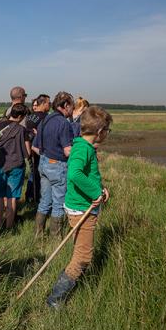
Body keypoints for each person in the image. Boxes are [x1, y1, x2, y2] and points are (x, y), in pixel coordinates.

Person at [46, 106, 112, 309]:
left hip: (82, 206)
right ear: (100, 131)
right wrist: (95, 193)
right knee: (83, 257)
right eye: (108, 130)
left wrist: (100, 188)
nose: (107, 134)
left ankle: (58, 295)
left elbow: (87, 175)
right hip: (81, 209)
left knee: (80, 253)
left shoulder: (84, 146)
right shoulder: (82, 149)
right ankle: (55, 299)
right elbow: (74, 174)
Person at [32, 91, 74, 238]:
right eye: (71, 107)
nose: (72, 110)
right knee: (58, 203)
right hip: (57, 165)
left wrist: (46, 157)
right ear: (66, 105)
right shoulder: (64, 123)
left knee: (45, 201)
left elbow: (34, 147)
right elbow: (68, 151)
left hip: (43, 163)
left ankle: (38, 234)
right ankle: (56, 238)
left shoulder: (45, 120)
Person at [0, 103, 31, 228]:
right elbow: (28, 152)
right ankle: (9, 226)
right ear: (20, 116)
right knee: (11, 197)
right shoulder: (22, 130)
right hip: (17, 166)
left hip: (1, 165)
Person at [25, 94, 50, 203]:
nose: (50, 105)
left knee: (33, 173)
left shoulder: (30, 117)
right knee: (41, 175)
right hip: (41, 149)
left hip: (29, 148)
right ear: (43, 104)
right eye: (49, 103)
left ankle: (29, 196)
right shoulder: (45, 117)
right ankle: (37, 198)